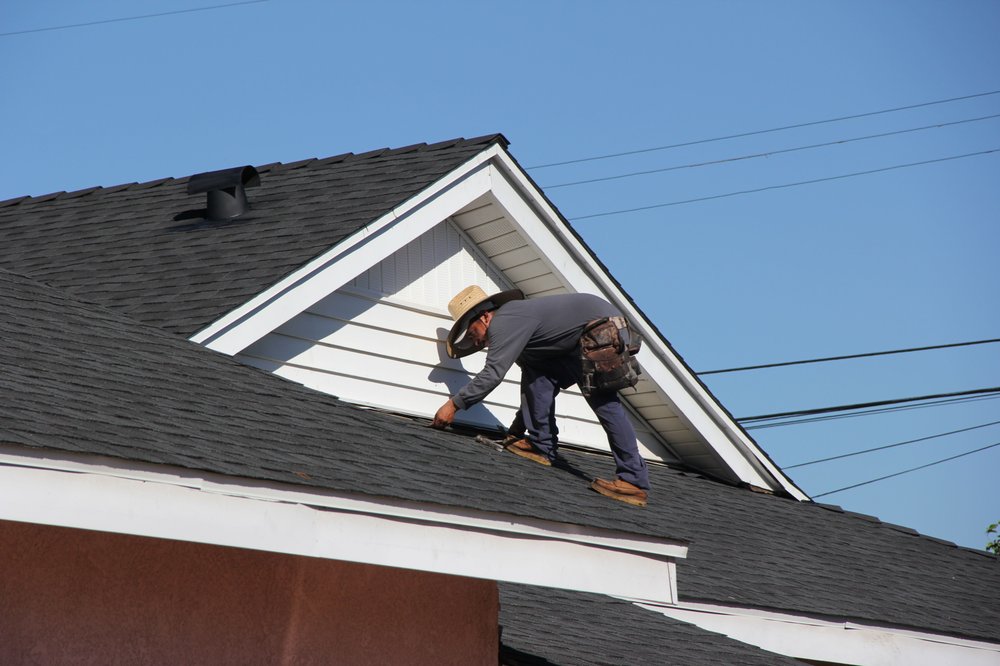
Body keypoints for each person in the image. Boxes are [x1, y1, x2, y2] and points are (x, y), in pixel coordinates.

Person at [431, 285, 650, 506]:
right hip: (580, 337)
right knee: (537, 371)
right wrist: (517, 430)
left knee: (604, 403)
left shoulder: (504, 321)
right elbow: (532, 385)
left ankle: (633, 481)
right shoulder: (519, 331)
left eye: (472, 333)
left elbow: (492, 374)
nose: (476, 342)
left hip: (601, 327)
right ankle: (541, 445)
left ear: (485, 317)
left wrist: (453, 405)